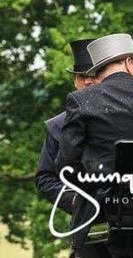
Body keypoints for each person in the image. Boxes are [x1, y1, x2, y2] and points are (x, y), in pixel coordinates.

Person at [56, 33, 133, 254]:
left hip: (101, 211)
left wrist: (89, 185)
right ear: (128, 62)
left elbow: (66, 164)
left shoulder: (82, 100)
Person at [35, 38, 98, 214]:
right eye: (82, 76)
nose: (88, 81)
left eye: (93, 75)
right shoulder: (56, 126)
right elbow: (45, 178)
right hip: (84, 221)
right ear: (74, 82)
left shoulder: (129, 115)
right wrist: (75, 200)